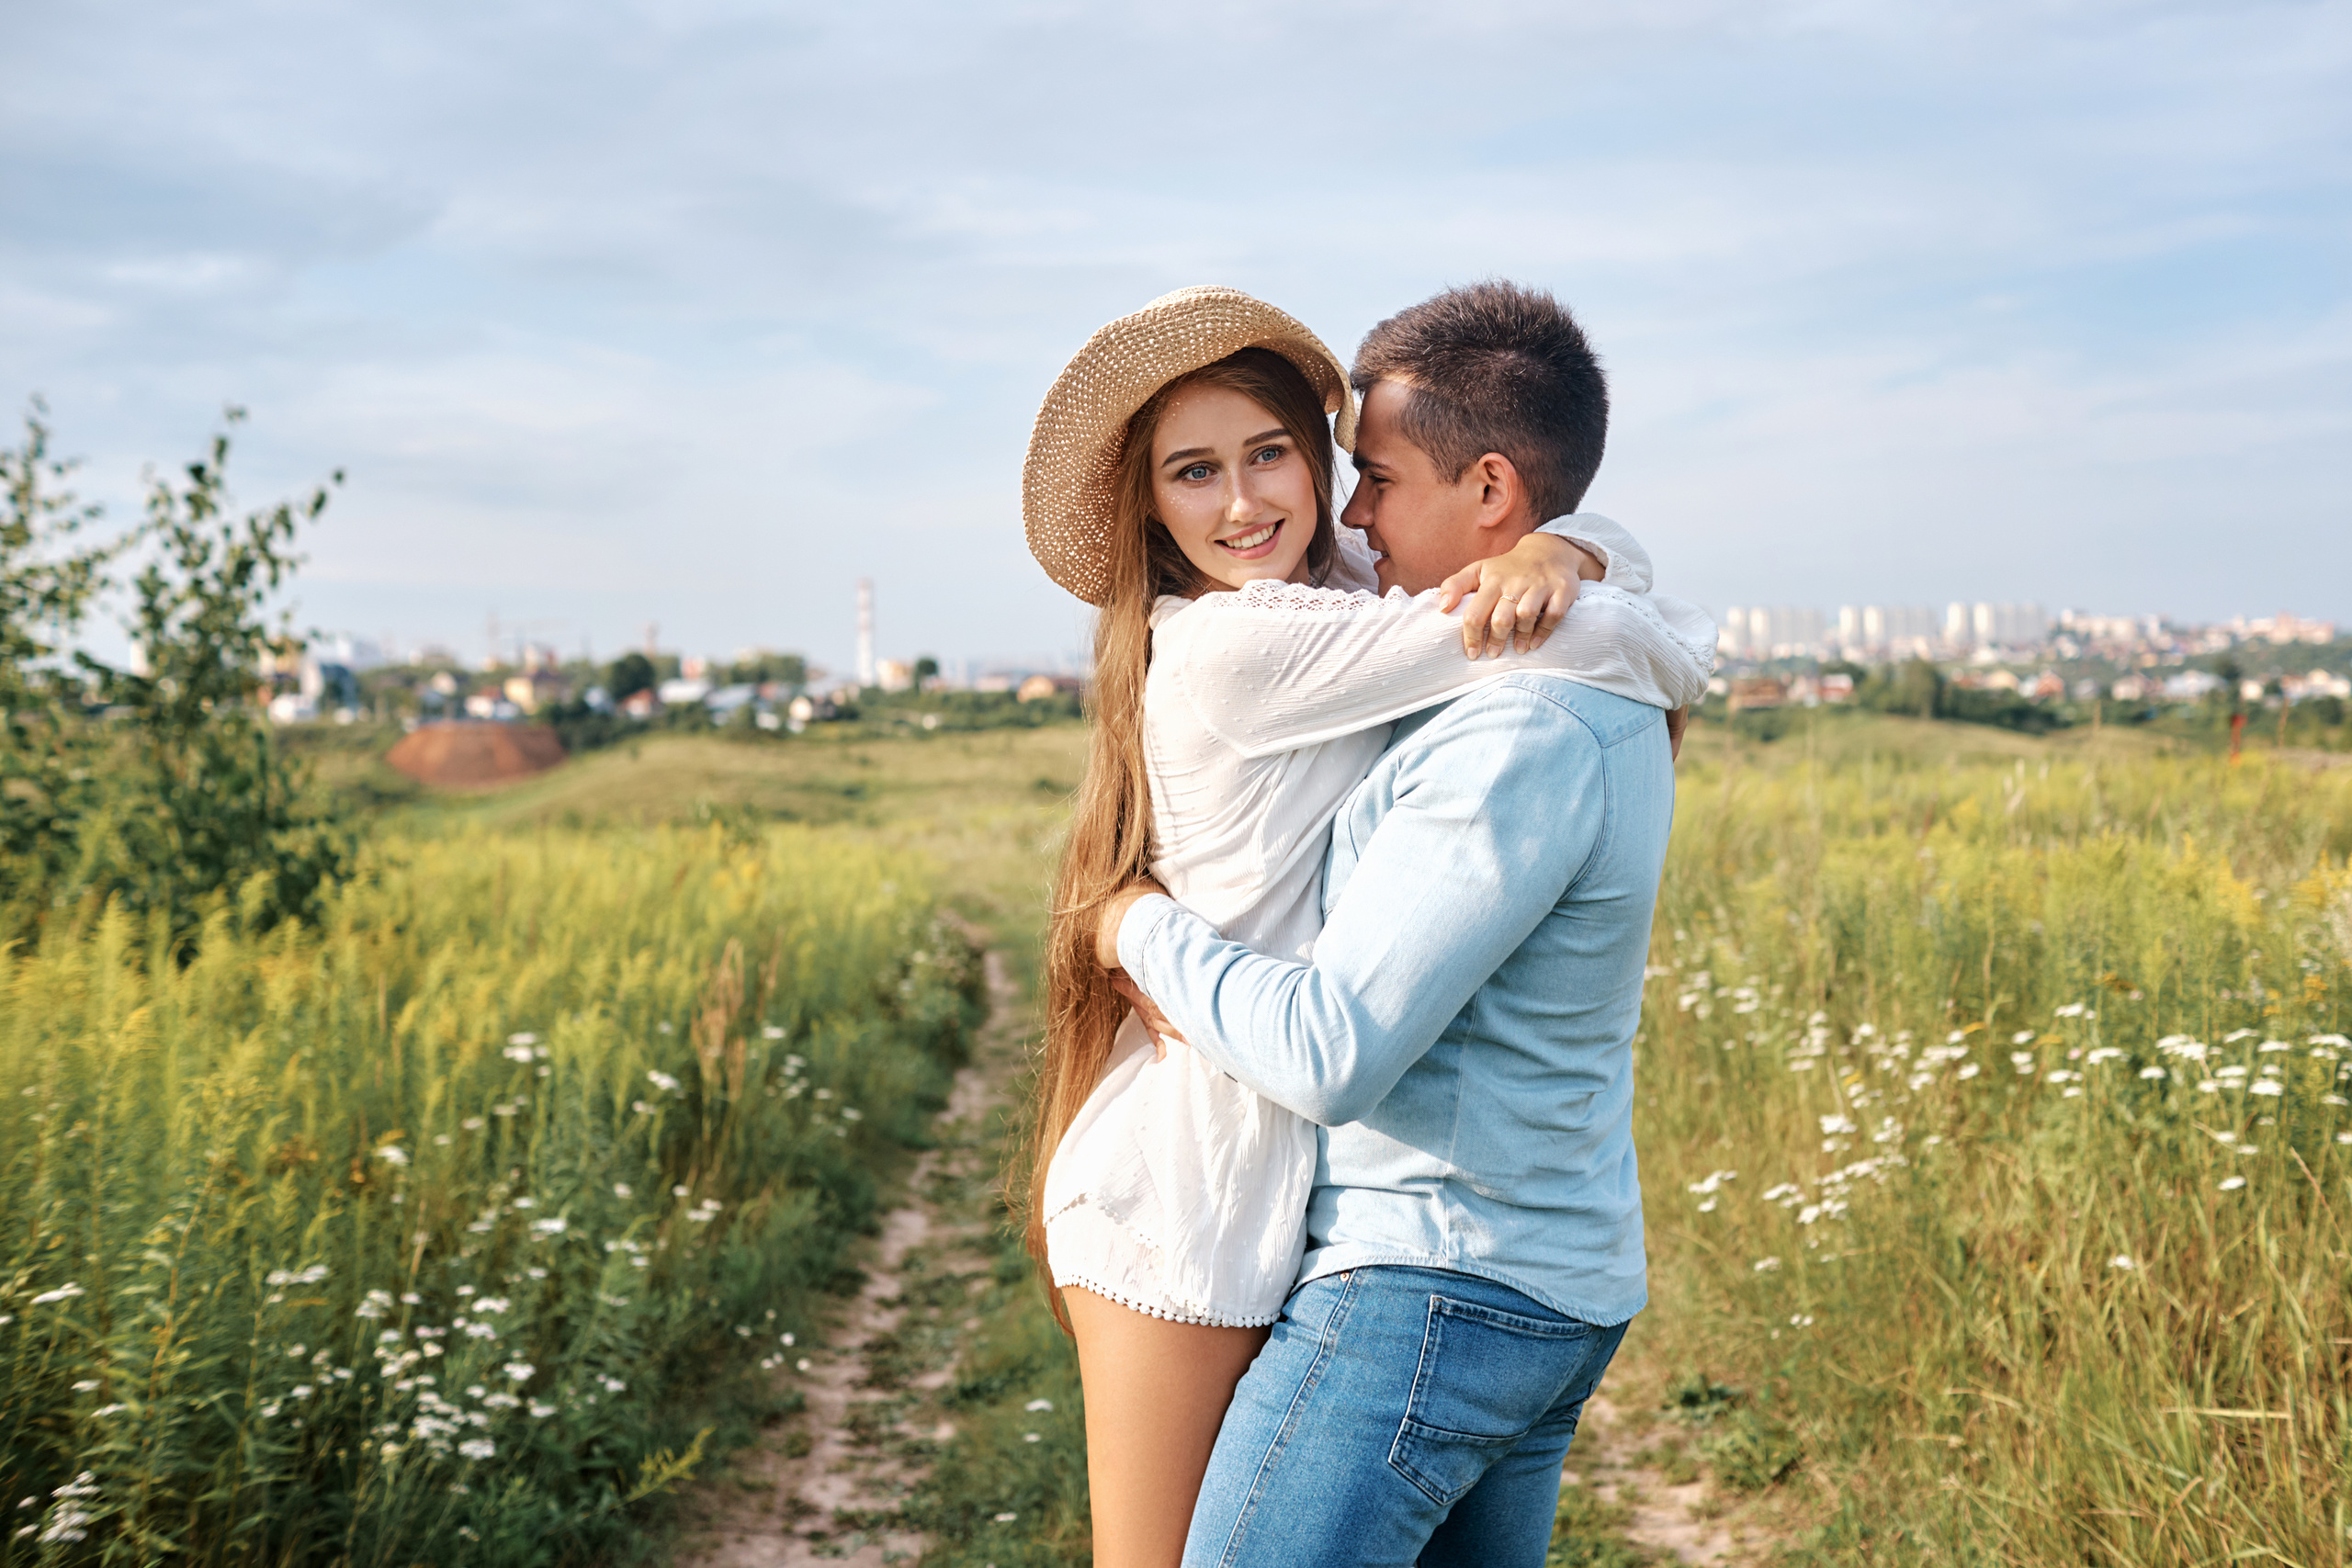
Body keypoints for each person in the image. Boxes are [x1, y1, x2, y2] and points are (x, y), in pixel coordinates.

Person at [1020, 284, 1713, 1568]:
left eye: (1278, 455)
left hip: (1293, 1165)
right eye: (1193, 473)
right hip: (1193, 1172)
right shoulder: (1244, 642)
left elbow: (1585, 586)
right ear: (1151, 508)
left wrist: (1566, 545)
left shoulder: (1337, 590)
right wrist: (1127, 926)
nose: (1248, 504)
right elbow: (1638, 639)